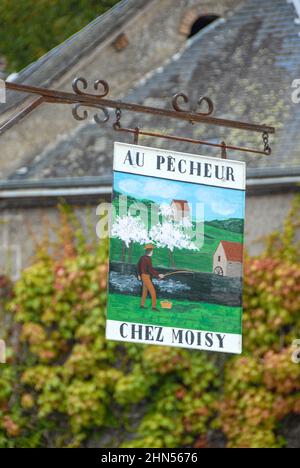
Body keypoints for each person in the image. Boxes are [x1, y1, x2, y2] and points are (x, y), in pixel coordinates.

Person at [137, 244, 165, 311]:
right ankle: (154, 307)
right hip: (146, 276)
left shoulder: (142, 257)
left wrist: (139, 275)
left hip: (144, 276)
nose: (153, 252)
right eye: (152, 251)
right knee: (152, 291)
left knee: (145, 291)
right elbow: (150, 270)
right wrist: (158, 275)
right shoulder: (148, 259)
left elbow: (138, 266)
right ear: (150, 251)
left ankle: (142, 305)